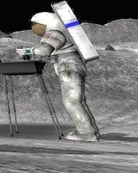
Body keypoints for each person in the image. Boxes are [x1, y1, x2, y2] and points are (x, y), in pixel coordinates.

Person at [30, 12, 100, 142]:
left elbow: (43, 50)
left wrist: (30, 50)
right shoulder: (63, 31)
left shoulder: (55, 32)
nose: (34, 28)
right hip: (73, 65)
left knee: (71, 101)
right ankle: (92, 130)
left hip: (68, 66)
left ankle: (86, 133)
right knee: (79, 101)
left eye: (36, 25)